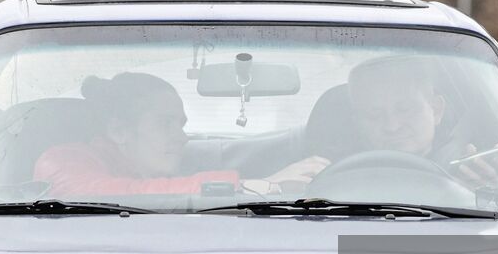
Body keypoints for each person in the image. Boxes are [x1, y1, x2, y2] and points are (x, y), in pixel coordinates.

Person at [35, 72, 327, 197]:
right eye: (166, 124)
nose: (182, 137)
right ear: (119, 131)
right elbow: (111, 196)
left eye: (182, 124)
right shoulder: (62, 161)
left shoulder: (152, 175)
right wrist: (256, 186)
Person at [347, 56, 498, 187]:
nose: (392, 126)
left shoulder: (467, 171)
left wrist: (487, 191)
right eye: (374, 115)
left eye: (405, 109)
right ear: (358, 124)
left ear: (436, 110)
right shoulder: (335, 179)